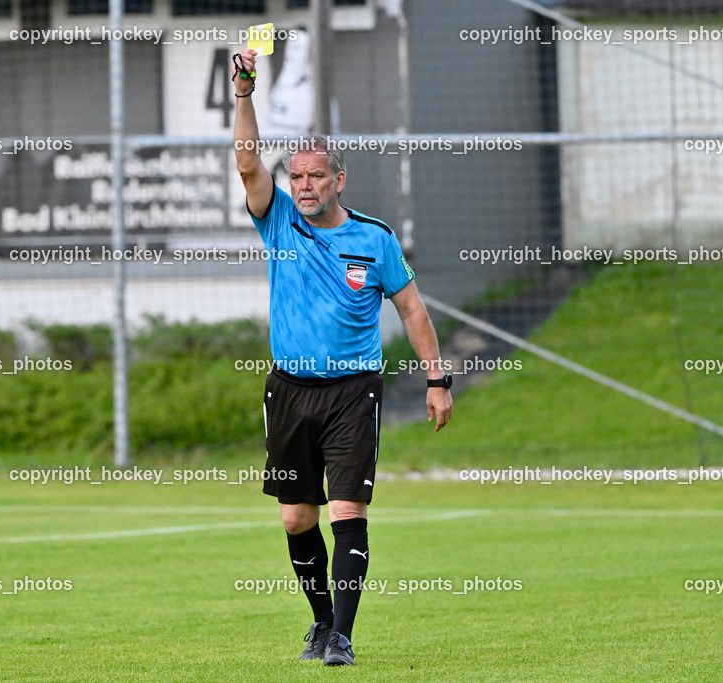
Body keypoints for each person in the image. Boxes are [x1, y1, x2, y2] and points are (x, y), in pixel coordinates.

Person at [231, 49, 453, 667]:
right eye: (297, 177)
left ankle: (344, 638)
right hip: (289, 390)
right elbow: (248, 162)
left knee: (348, 508)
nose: (304, 187)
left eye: (315, 178)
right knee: (297, 519)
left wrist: (437, 379)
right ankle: (322, 623)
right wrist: (244, 93)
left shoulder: (374, 238)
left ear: (338, 181)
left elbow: (412, 310)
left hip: (354, 390)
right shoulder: (277, 221)